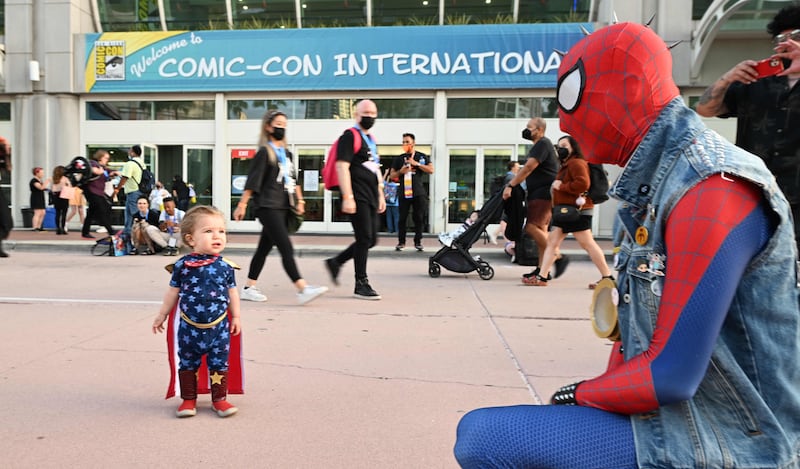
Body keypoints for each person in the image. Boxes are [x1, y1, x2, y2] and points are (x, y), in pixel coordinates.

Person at [454, 22, 800, 469]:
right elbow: (634, 343)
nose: (565, 120)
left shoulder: (710, 188)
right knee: (487, 431)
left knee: (487, 438)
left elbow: (670, 375)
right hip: (679, 422)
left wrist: (572, 396)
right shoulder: (655, 187)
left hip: (734, 442)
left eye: (573, 96)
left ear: (632, 86)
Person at [695, 4, 800, 248]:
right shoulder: (756, 81)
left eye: (796, 36)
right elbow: (705, 109)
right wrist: (727, 78)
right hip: (755, 195)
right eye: (781, 38)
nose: (786, 43)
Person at [152, 205, 241, 418]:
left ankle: (219, 399)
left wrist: (236, 316)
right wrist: (162, 314)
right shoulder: (182, 265)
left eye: (221, 231)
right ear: (191, 239)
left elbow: (232, 292)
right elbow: (173, 291)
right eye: (208, 231)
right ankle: (188, 399)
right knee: (188, 361)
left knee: (219, 362)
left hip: (218, 327)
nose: (217, 236)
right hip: (189, 327)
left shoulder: (225, 266)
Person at [233, 109, 328, 306]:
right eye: (278, 124)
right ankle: (302, 288)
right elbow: (252, 182)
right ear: (268, 127)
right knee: (286, 247)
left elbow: (294, 180)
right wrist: (242, 204)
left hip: (284, 206)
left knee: (263, 248)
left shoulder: (287, 154)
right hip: (268, 206)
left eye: (284, 125)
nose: (281, 128)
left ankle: (249, 287)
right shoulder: (264, 152)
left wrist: (300, 202)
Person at [522, 136, 613, 288]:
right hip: (565, 210)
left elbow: (583, 183)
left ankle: (608, 277)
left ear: (573, 147)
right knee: (552, 243)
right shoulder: (567, 164)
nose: (560, 148)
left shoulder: (576, 163)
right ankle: (542, 277)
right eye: (558, 145)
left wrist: (561, 186)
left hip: (576, 210)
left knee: (587, 244)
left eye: (564, 145)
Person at [324, 99, 386, 300]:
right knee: (364, 238)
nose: (369, 116)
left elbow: (375, 169)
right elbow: (342, 166)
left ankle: (336, 262)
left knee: (371, 239)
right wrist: (347, 196)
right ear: (356, 114)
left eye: (372, 112)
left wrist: (380, 193)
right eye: (365, 112)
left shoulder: (371, 140)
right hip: (356, 195)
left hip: (370, 196)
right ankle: (361, 283)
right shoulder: (349, 136)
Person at [501, 117, 561, 278]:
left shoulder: (542, 144)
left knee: (531, 228)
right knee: (541, 230)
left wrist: (511, 185)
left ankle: (556, 255)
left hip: (542, 195)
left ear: (539, 130)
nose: (526, 130)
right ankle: (543, 270)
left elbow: (528, 168)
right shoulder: (543, 145)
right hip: (541, 194)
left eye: (530, 127)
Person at [390, 132, 433, 251]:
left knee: (418, 217)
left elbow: (431, 169)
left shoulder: (421, 156)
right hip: (404, 192)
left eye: (407, 142)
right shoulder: (399, 158)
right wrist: (401, 172)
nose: (405, 144)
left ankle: (418, 241)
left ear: (413, 143)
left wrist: (417, 164)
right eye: (403, 142)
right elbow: (392, 175)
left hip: (418, 192)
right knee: (402, 218)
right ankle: (401, 242)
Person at [114, 145, 145, 247]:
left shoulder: (130, 164)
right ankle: (131, 241)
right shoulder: (141, 163)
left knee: (130, 218)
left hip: (132, 192)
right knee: (134, 217)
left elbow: (125, 177)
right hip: (140, 191)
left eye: (130, 150)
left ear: (132, 152)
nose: (128, 152)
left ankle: (129, 244)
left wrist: (118, 188)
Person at [81, 150, 117, 240]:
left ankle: (85, 231)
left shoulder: (104, 167)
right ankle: (111, 231)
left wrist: (114, 173)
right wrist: (100, 171)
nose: (107, 160)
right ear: (100, 157)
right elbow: (94, 171)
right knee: (102, 210)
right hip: (92, 191)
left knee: (91, 212)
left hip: (98, 191)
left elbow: (109, 172)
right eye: (106, 158)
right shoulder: (92, 163)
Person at [490, 160, 520, 244]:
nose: (519, 168)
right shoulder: (511, 177)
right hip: (509, 202)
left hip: (509, 202)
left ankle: (495, 234)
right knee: (505, 220)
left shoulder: (510, 176)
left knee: (506, 220)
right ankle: (507, 240)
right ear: (513, 167)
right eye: (517, 166)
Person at [0, 138, 12, 257]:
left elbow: (8, 169)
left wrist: (7, 154)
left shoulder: (3, 159)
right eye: (7, 145)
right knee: (6, 221)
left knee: (6, 222)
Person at [50, 166, 71, 235]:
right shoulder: (65, 178)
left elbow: (52, 188)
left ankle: (57, 228)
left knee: (57, 213)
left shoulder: (53, 179)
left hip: (56, 196)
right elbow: (69, 186)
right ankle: (63, 228)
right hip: (64, 195)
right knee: (64, 213)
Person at [29, 167, 51, 231]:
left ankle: (39, 227)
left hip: (41, 197)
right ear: (36, 173)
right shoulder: (34, 181)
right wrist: (47, 181)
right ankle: (35, 227)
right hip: (36, 198)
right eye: (41, 173)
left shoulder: (40, 180)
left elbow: (43, 188)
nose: (43, 174)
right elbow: (41, 187)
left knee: (43, 212)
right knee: (37, 212)